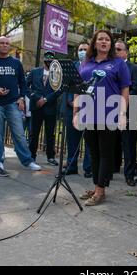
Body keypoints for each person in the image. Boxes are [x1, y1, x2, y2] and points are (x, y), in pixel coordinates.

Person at [75, 29, 131, 206]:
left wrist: (122, 114)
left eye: (107, 39)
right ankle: (97, 186)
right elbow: (79, 88)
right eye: (100, 39)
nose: (104, 42)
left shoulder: (118, 63)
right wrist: (76, 112)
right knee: (94, 152)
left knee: (106, 153)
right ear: (95, 43)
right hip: (88, 113)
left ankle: (100, 191)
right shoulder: (86, 63)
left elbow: (125, 89)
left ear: (111, 44)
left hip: (109, 114)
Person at [0, 36, 41, 171]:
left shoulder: (16, 63)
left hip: (12, 102)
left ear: (10, 46)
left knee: (19, 133)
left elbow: (22, 83)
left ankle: (27, 161)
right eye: (1, 43)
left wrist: (21, 97)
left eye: (7, 43)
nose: (4, 45)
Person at [62, 42, 92, 177]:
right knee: (72, 139)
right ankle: (71, 165)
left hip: (88, 108)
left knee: (89, 140)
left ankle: (89, 168)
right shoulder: (72, 66)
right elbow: (66, 86)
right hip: (71, 107)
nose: (83, 51)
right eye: (80, 49)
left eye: (85, 49)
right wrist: (71, 101)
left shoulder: (94, 66)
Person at [115, 40, 137, 187]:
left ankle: (129, 175)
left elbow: (136, 88)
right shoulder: (109, 67)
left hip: (129, 112)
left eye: (119, 49)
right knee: (110, 142)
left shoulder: (134, 68)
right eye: (114, 49)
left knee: (129, 144)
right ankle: (110, 170)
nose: (116, 52)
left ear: (126, 52)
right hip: (109, 110)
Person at [27, 51, 61, 166]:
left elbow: (59, 90)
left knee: (50, 133)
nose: (49, 60)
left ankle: (50, 156)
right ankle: (31, 156)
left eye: (51, 58)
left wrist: (46, 99)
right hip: (36, 107)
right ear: (44, 59)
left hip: (50, 107)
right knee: (33, 133)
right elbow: (26, 87)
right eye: (47, 58)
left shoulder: (57, 73)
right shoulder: (34, 71)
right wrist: (36, 98)